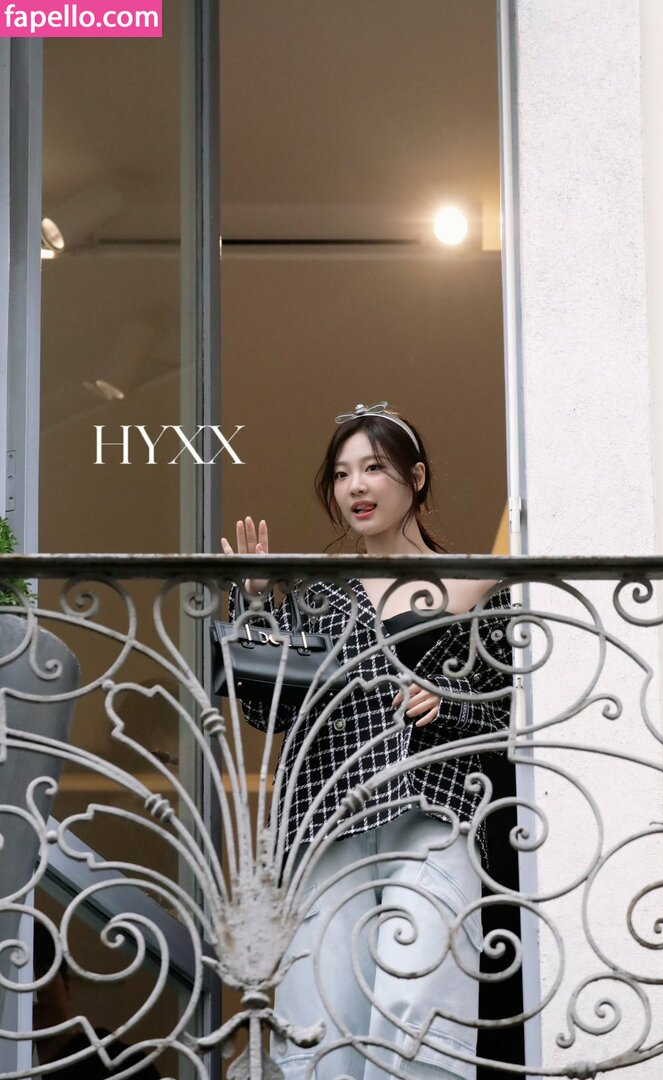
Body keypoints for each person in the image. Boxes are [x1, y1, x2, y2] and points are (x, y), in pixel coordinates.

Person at [222, 402, 511, 1080]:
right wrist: (256, 602)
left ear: (416, 477)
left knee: (420, 1003)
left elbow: (508, 709)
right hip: (329, 817)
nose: (355, 486)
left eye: (374, 468)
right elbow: (268, 708)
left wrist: (447, 705)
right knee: (321, 1016)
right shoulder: (318, 598)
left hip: (434, 808)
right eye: (342, 473)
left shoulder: (477, 583)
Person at [32, 920, 161, 1079]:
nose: (35, 992)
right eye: (24, 980)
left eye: (42, 973)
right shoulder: (9, 1068)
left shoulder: (121, 1064)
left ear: (66, 984)